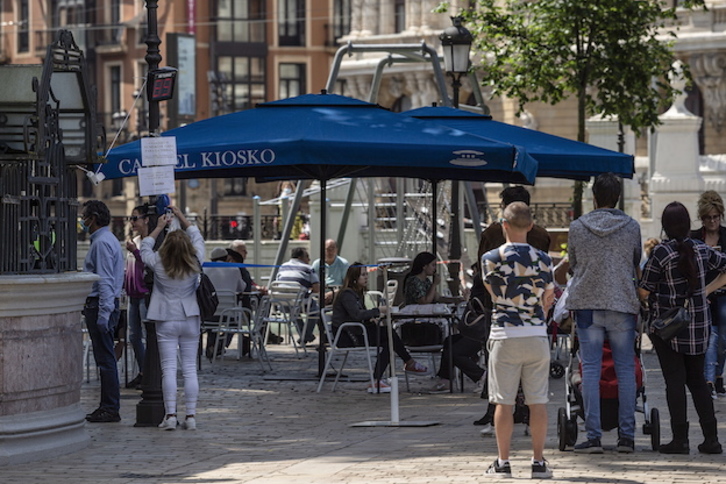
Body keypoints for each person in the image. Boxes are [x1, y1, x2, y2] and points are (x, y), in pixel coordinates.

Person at [640, 201, 726, 455]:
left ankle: (680, 439)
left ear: (665, 225)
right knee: (698, 381)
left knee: (674, 382)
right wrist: (706, 290)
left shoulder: (661, 253)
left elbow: (645, 290)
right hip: (699, 324)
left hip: (669, 329)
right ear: (689, 224)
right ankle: (711, 439)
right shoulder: (702, 249)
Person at [566, 173, 641, 454]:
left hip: (587, 304)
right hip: (622, 303)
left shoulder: (577, 227)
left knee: (591, 370)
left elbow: (573, 264)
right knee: (624, 371)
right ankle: (626, 436)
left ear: (594, 197)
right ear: (618, 198)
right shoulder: (631, 226)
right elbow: (635, 261)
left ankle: (594, 436)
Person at [481, 201, 555, 478]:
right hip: (535, 333)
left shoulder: (490, 258)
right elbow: (548, 299)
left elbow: (494, 294)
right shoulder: (544, 259)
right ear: (532, 226)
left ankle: (503, 462)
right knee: (538, 402)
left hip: (504, 334)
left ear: (504, 225)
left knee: (504, 402)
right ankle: (538, 462)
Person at [474, 185, 551, 432]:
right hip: (533, 311)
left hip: (499, 310)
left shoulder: (491, 234)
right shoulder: (541, 235)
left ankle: (494, 410)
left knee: (497, 364)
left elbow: (481, 273)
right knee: (532, 373)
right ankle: (528, 414)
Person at [141, 206, 205, 431]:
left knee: (168, 369)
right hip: (189, 316)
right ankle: (191, 416)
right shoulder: (196, 260)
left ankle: (170, 415)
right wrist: (181, 217)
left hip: (165, 317)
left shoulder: (158, 263)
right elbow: (196, 235)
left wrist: (159, 226)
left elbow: (145, 246)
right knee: (189, 368)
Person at [331, 263, 429, 393]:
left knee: (388, 340)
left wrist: (372, 318)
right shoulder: (347, 294)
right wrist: (377, 310)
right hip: (348, 336)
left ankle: (377, 379)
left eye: (366, 274)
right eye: (363, 275)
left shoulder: (357, 293)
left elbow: (360, 315)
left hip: (356, 331)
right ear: (354, 278)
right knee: (389, 335)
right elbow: (356, 314)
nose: (366, 277)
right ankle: (408, 362)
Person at [81, 200, 124, 423]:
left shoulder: (102, 243)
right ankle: (108, 405)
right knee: (105, 358)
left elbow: (106, 280)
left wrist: (104, 313)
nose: (82, 221)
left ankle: (109, 406)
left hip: (100, 304)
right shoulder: (107, 240)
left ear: (94, 218)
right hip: (101, 304)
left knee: (105, 359)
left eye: (84, 216)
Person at [428, 262, 487, 394]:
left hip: (480, 328)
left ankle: (482, 376)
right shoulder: (484, 280)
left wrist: (468, 299)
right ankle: (446, 379)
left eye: (474, 272)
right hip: (477, 327)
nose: (473, 275)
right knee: (449, 341)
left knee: (455, 352)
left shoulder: (483, 280)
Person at [690, 191, 726, 398]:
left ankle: (718, 374)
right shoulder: (695, 238)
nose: (712, 221)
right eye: (708, 218)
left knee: (722, 339)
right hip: (702, 295)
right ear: (702, 218)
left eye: (716, 217)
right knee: (710, 338)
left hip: (723, 294)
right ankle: (709, 381)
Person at [123, 204, 153, 390]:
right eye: (131, 219)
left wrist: (135, 251)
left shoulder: (150, 242)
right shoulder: (134, 241)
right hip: (132, 295)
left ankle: (148, 373)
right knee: (133, 336)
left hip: (145, 294)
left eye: (135, 218)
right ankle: (144, 371)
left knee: (148, 333)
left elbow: (150, 263)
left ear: (146, 219)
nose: (132, 222)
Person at [203, 247, 247, 360]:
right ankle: (221, 344)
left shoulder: (205, 269)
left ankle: (211, 345)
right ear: (226, 257)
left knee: (212, 323)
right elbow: (242, 287)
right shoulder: (234, 269)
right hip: (229, 313)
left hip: (210, 312)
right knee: (234, 323)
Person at [276, 247, 320, 344]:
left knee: (294, 309)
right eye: (307, 256)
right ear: (300, 257)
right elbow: (317, 289)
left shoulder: (282, 266)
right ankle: (306, 335)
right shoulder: (308, 268)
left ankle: (304, 335)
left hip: (282, 305)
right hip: (299, 304)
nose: (309, 259)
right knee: (315, 310)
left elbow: (278, 284)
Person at [312, 239, 350, 304]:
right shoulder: (317, 264)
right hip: (319, 295)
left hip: (337, 294)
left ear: (337, 250)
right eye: (328, 249)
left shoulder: (343, 264)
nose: (330, 252)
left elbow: (347, 285)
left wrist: (333, 293)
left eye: (333, 249)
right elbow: (313, 283)